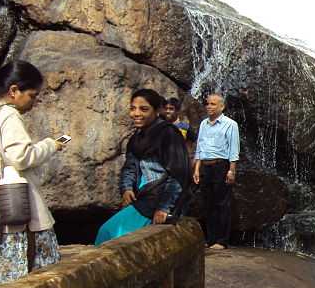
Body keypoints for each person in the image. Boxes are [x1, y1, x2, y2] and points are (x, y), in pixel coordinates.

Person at [0, 61, 67, 288]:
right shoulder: (9, 114)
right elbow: (20, 156)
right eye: (32, 95)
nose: (34, 102)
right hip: (13, 200)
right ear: (14, 91)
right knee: (32, 273)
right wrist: (51, 145)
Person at [95, 89, 191, 245]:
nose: (136, 113)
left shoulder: (169, 134)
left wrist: (164, 208)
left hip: (158, 199)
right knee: (109, 234)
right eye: (133, 108)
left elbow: (179, 174)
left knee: (109, 233)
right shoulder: (137, 137)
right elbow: (130, 166)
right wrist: (126, 188)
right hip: (143, 198)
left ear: (157, 110)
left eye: (144, 109)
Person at [193, 93, 239, 250]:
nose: (209, 107)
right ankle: (211, 239)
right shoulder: (203, 124)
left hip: (221, 166)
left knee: (222, 204)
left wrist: (232, 170)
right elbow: (200, 147)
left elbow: (234, 149)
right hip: (205, 167)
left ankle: (222, 240)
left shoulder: (230, 124)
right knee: (208, 204)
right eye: (207, 104)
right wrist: (197, 169)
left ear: (222, 106)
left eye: (213, 104)